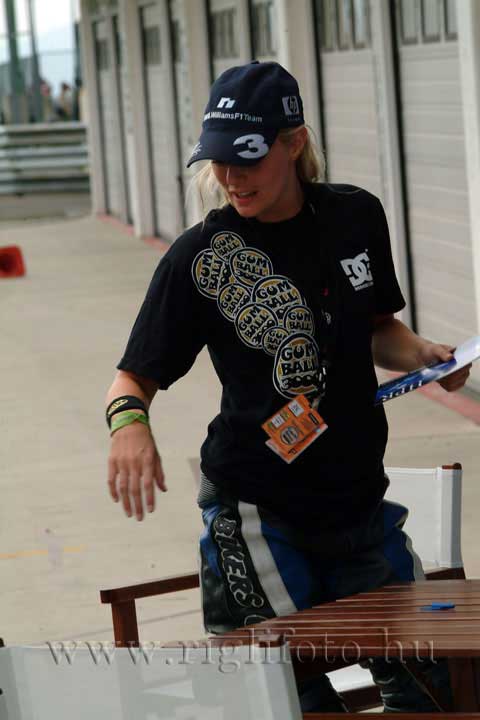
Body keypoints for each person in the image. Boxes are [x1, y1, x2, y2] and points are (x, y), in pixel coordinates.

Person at [106, 61, 470, 712]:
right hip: (258, 514)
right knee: (288, 695)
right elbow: (132, 377)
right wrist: (130, 427)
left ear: (294, 142)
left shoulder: (356, 216)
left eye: (246, 158)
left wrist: (423, 354)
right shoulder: (201, 256)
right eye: (218, 160)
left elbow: (375, 328)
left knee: (437, 685)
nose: (230, 177)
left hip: (360, 504)